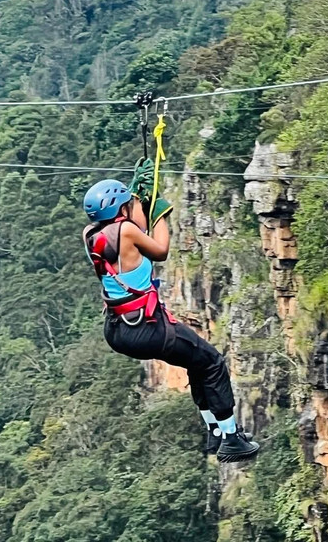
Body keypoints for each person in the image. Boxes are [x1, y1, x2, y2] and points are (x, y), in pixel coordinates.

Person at [82, 179, 260, 463]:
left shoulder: (91, 234)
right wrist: (159, 212)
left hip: (117, 329)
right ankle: (230, 438)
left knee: (196, 361)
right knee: (213, 362)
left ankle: (215, 431)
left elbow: (128, 228)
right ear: (122, 210)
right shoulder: (127, 230)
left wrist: (137, 200)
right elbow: (160, 250)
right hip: (148, 327)